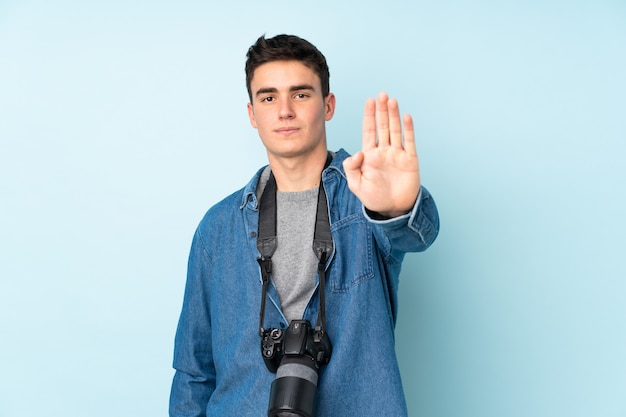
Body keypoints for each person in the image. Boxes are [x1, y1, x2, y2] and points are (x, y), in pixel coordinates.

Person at [169, 34, 440, 417]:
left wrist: (398, 207)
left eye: (300, 94)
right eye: (268, 97)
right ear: (252, 113)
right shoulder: (218, 228)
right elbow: (194, 372)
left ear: (327, 105)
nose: (284, 111)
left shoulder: (365, 197)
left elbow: (415, 234)